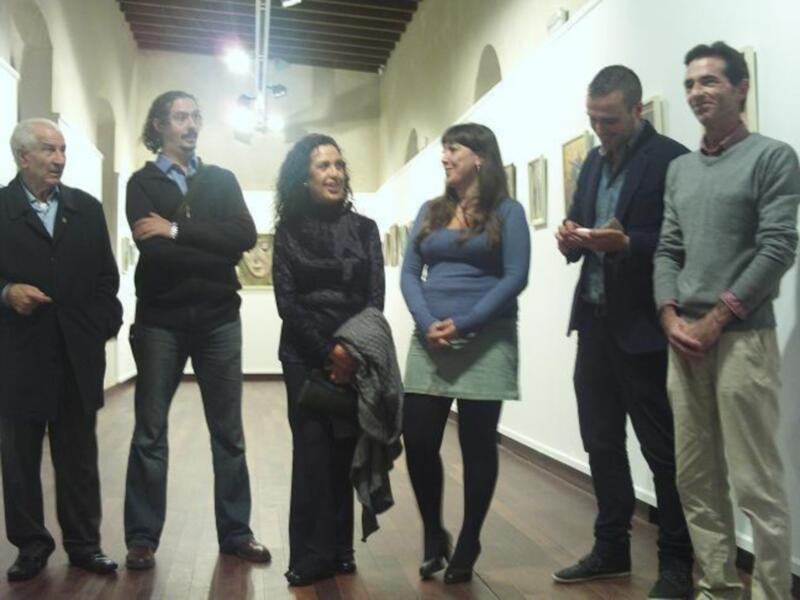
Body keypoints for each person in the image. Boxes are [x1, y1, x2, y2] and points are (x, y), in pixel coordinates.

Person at [654, 42, 799, 599]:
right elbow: (668, 249)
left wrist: (716, 318)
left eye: (709, 81)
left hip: (742, 339)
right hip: (683, 341)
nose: (697, 93)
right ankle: (717, 588)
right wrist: (669, 314)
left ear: (741, 89)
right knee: (695, 478)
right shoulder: (680, 170)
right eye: (690, 83)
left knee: (756, 482)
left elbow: (778, 246)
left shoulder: (772, 157)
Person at [552, 66, 693, 598]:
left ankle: (677, 564)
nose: (600, 130)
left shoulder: (671, 159)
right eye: (593, 120)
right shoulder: (591, 161)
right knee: (601, 443)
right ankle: (611, 548)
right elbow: (578, 222)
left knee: (663, 452)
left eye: (609, 120)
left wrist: (628, 243)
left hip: (645, 329)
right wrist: (570, 237)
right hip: (594, 324)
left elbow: (684, 241)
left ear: (637, 110)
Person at [123, 91, 270, 569]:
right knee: (150, 432)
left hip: (218, 320)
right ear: (160, 125)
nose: (191, 125)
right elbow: (155, 252)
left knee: (228, 434)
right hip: (160, 321)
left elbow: (243, 237)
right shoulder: (141, 183)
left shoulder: (221, 179)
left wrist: (176, 230)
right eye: (181, 117)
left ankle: (236, 532)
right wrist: (212, 247)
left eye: (196, 116)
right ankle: (142, 538)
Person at [400, 122, 530, 584]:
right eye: (444, 150)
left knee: (477, 444)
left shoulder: (508, 211)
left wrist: (467, 322)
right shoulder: (431, 211)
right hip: (430, 340)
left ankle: (470, 539)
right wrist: (426, 322)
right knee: (417, 438)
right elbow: (410, 273)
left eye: (452, 149)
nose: (445, 157)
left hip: (487, 339)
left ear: (480, 156)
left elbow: (516, 276)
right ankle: (433, 531)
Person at [0, 118, 122, 580]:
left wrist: (99, 327)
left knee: (78, 458)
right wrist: (6, 292)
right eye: (49, 150)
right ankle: (31, 546)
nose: (59, 159)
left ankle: (85, 545)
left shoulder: (85, 209)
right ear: (22, 156)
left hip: (75, 355)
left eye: (63, 150)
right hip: (18, 355)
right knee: (19, 461)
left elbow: (106, 279)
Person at [272, 133, 385, 586]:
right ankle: (310, 554)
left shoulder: (365, 229)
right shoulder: (288, 231)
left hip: (355, 356)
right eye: (323, 166)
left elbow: (374, 298)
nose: (334, 173)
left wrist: (351, 352)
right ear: (304, 178)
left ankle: (340, 548)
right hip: (303, 356)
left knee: (345, 450)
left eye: (339, 165)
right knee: (312, 453)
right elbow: (287, 301)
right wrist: (328, 352)